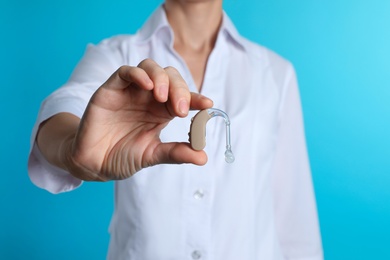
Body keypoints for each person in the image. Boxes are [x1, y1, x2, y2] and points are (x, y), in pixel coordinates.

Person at [28, 0, 323, 259]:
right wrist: (72, 149)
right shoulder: (116, 57)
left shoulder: (274, 73)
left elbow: (295, 226)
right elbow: (65, 105)